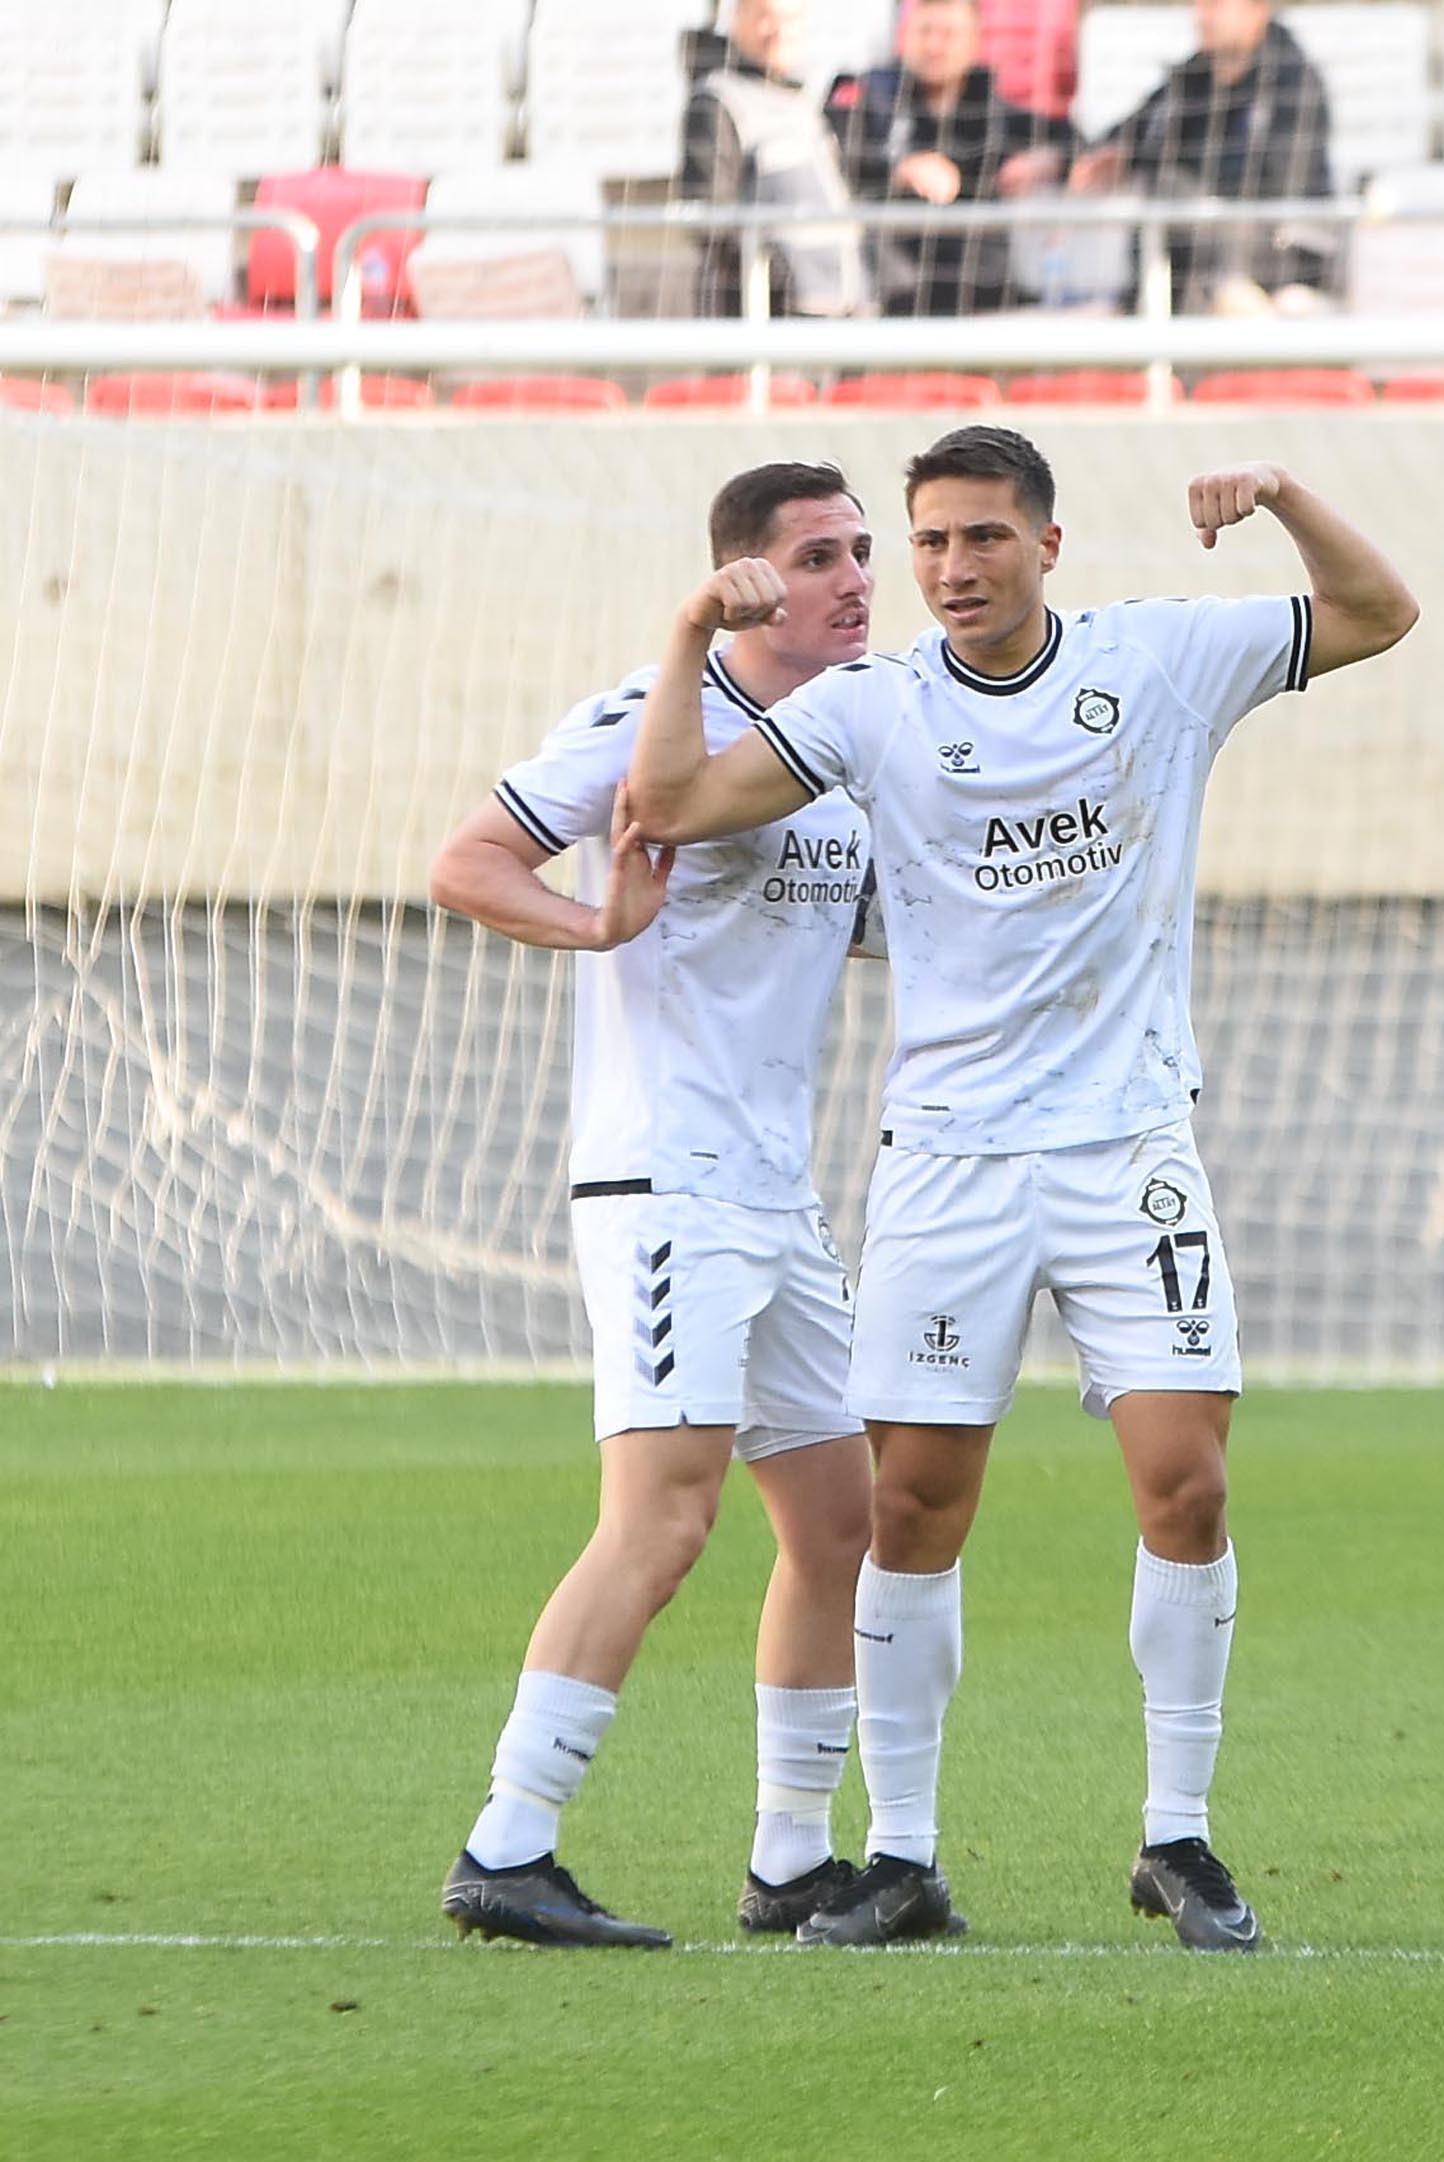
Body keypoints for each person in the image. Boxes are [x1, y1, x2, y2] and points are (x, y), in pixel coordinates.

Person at [624, 427, 1417, 1952]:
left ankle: (1177, 1834)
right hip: (951, 1161)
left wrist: (1280, 496)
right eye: (928, 541)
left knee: (1187, 1481)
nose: (951, 567)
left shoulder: (1161, 663)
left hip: (1129, 1149)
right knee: (914, 1504)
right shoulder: (873, 705)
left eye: (983, 536)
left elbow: (1380, 612)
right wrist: (687, 632)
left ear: (1048, 545)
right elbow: (670, 802)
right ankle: (902, 1855)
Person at [429, 464, 882, 1948]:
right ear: (745, 579)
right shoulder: (652, 714)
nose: (855, 577)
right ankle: (508, 1842)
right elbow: (467, 861)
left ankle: (793, 1858)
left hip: (776, 1188)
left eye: (862, 550)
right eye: (819, 556)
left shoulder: (846, 736)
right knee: (665, 1520)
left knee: (843, 1516)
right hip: (667, 1182)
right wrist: (594, 919)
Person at [1064, 0, 1337, 311]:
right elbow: (1130, 134)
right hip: (1202, 244)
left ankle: (1235, 300)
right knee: (1170, 190)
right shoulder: (1193, 78)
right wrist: (1114, 157)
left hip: (1278, 251)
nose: (1201, 16)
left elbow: (1281, 190)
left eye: (1215, 5)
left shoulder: (1294, 81)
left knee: (1175, 190)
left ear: (1257, 11)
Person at [828, 0, 1076, 316]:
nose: (934, 46)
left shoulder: (994, 112)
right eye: (925, 32)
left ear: (974, 42)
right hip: (893, 292)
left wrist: (1050, 160)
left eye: (948, 34)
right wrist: (900, 170)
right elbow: (831, 149)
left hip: (983, 293)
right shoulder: (873, 96)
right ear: (905, 35)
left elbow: (1075, 142)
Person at [681, 0, 869, 319]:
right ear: (737, 19)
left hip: (838, 312)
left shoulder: (803, 103)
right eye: (765, 17)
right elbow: (710, 221)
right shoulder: (717, 102)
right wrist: (781, 278)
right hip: (772, 319)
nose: (779, 31)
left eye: (791, 20)